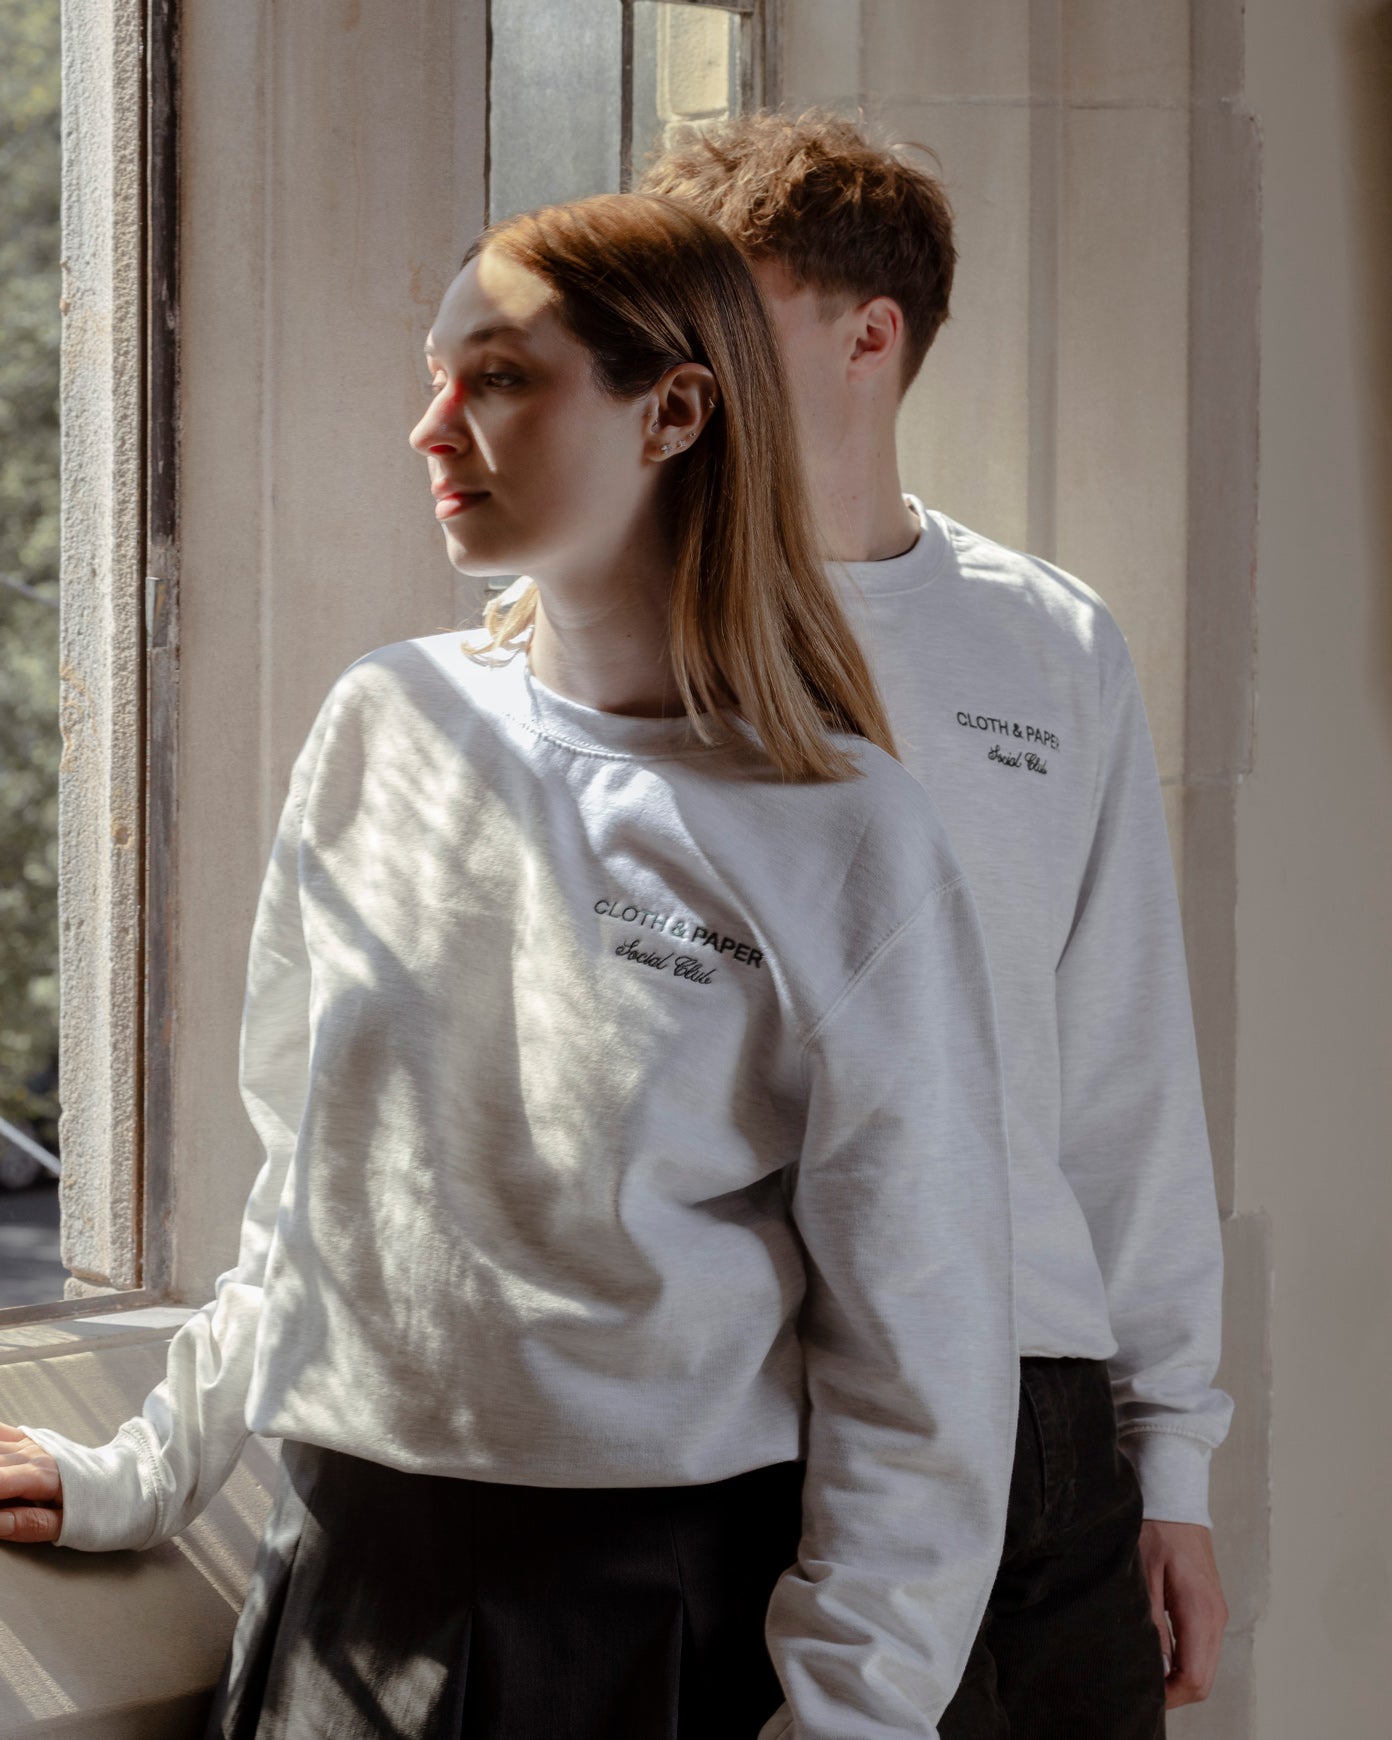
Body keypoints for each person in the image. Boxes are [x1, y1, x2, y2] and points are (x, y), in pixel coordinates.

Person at [0, 193, 1019, 1740]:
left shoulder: (847, 838)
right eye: (434, 374)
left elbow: (921, 1363)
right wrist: (146, 1472)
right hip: (341, 1588)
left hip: (661, 1624)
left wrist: (851, 1720)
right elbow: (314, 1186)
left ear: (673, 410)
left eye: (498, 376)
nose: (432, 426)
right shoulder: (384, 724)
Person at [641, 112, 1234, 1736]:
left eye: (720, 316)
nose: (673, 368)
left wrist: (1165, 1454)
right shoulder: (623, 631)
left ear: (869, 336)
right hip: (769, 1412)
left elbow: (1119, 1071)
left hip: (1049, 1439)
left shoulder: (1049, 641)